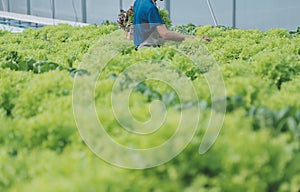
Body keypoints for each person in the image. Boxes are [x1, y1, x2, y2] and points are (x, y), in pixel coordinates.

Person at [133, 0, 212, 50]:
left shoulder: (138, 2)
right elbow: (165, 34)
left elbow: (132, 7)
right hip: (148, 49)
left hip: (139, 47)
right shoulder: (151, 8)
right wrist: (195, 38)